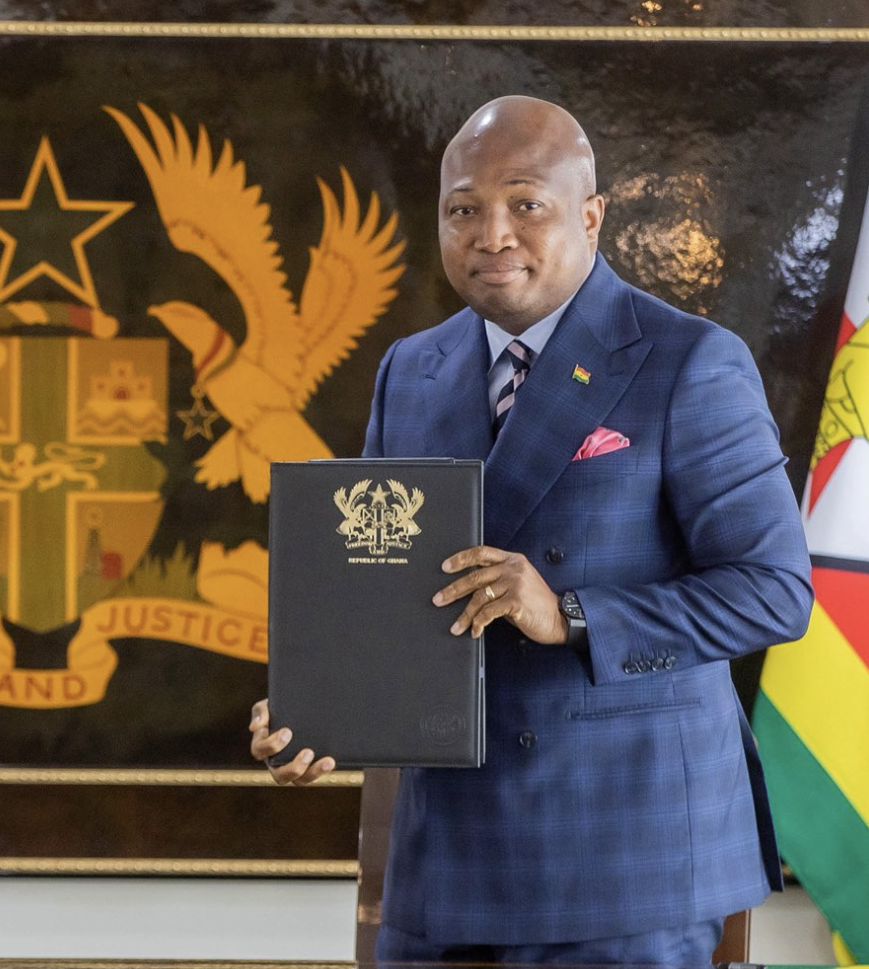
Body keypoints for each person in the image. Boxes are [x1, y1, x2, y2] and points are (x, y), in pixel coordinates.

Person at [249, 96, 812, 963]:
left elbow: (774, 592)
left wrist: (571, 612)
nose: (491, 233)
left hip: (627, 861)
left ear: (590, 215)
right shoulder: (414, 370)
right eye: (463, 209)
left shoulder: (689, 361)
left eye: (526, 203)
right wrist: (319, 715)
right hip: (444, 868)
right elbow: (380, 591)